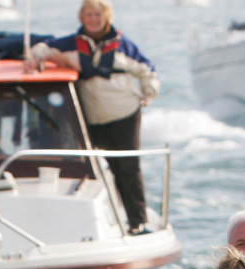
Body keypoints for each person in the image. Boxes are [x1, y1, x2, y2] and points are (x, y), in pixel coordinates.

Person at [33, 0, 159, 234]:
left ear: (107, 17)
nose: (93, 19)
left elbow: (147, 69)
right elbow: (42, 47)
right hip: (91, 117)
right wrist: (37, 57)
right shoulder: (71, 44)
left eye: (98, 14)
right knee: (92, 167)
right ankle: (87, 223)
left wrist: (148, 94)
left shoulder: (124, 45)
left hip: (125, 113)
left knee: (128, 167)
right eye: (89, 14)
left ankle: (137, 221)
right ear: (82, 17)